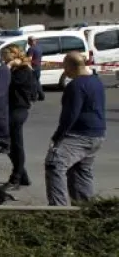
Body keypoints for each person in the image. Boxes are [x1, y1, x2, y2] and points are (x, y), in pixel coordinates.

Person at [45, 52, 106, 206]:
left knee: (54, 164)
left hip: (79, 135)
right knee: (80, 171)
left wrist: (57, 137)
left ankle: (59, 211)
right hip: (97, 135)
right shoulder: (96, 81)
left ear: (72, 66)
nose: (64, 71)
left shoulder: (76, 86)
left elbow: (70, 115)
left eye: (65, 67)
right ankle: (86, 209)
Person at [0, 44, 35, 188]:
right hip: (10, 108)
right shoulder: (16, 69)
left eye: (4, 55)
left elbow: (7, 82)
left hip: (18, 109)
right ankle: (22, 175)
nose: (2, 58)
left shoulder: (23, 70)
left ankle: (16, 177)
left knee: (16, 145)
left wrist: (8, 67)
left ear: (12, 55)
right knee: (9, 145)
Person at [26, 36, 45, 101]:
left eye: (28, 41)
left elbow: (29, 59)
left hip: (33, 67)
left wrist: (29, 66)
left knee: (33, 82)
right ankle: (41, 96)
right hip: (38, 66)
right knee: (37, 81)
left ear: (30, 41)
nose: (27, 42)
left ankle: (33, 97)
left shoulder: (31, 49)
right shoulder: (39, 47)